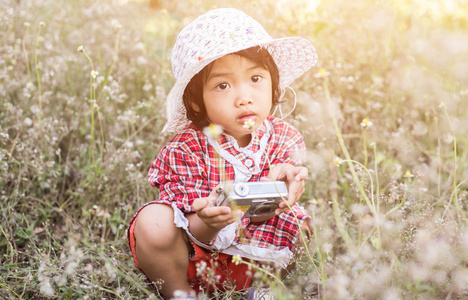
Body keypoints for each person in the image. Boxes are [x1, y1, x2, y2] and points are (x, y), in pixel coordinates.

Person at [127, 8, 318, 299]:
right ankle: (180, 293)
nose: (244, 97)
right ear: (195, 100)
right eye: (223, 85)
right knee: (153, 222)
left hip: (257, 256)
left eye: (256, 79)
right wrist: (207, 222)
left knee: (304, 224)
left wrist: (291, 183)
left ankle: (262, 288)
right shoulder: (187, 149)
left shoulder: (283, 136)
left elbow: (273, 207)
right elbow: (191, 232)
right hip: (195, 259)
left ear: (273, 82)